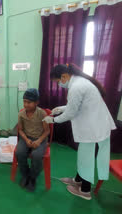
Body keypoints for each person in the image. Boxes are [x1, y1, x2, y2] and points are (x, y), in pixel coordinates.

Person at [43, 64, 116, 200]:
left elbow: (71, 112)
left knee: (85, 157)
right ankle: (78, 180)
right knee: (83, 156)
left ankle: (85, 190)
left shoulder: (76, 87)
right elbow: (77, 105)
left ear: (64, 76)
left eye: (58, 82)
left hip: (93, 128)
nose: (59, 85)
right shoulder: (79, 82)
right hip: (94, 124)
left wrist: (53, 120)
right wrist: (61, 108)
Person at [15, 88, 50, 192]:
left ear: (36, 102)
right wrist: (26, 139)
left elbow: (47, 131)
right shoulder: (21, 114)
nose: (26, 105)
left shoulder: (42, 114)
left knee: (37, 155)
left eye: (29, 102)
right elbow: (20, 130)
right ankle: (25, 175)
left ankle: (33, 177)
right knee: (19, 153)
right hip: (26, 138)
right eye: (24, 102)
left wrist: (39, 141)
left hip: (40, 138)